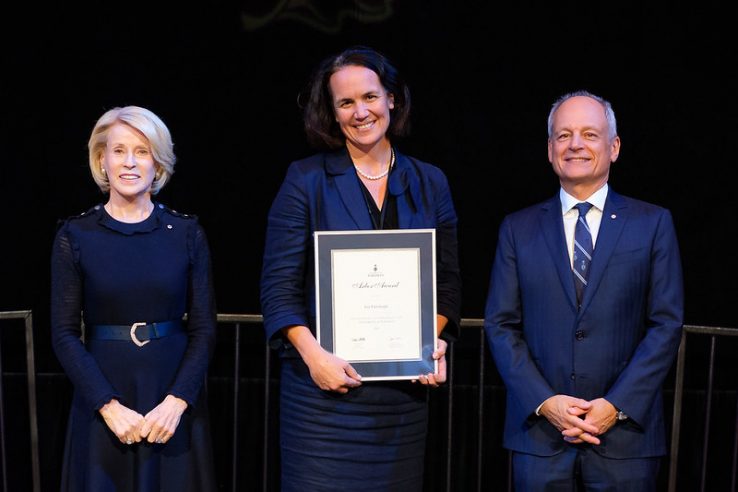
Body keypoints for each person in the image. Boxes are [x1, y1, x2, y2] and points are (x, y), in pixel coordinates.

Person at [260, 46, 461, 491]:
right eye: (345, 103)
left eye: (370, 97)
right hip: (321, 399)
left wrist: (428, 342)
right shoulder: (305, 180)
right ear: (331, 113)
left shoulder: (430, 182)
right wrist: (316, 360)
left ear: (391, 99)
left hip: (402, 401)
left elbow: (446, 283)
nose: (360, 112)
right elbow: (278, 290)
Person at [484, 90, 684, 491]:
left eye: (590, 134)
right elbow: (501, 324)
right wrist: (546, 402)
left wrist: (616, 406)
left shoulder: (653, 223)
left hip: (626, 440)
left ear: (614, 147)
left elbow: (666, 324)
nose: (575, 144)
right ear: (549, 149)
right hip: (540, 437)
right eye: (563, 135)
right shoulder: (517, 229)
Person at [51, 106, 217, 491]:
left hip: (172, 402)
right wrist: (107, 406)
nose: (129, 162)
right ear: (101, 160)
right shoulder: (75, 235)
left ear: (157, 164)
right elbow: (63, 333)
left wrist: (177, 402)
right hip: (102, 400)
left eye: (142, 151)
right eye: (118, 151)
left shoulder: (187, 233)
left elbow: (205, 329)